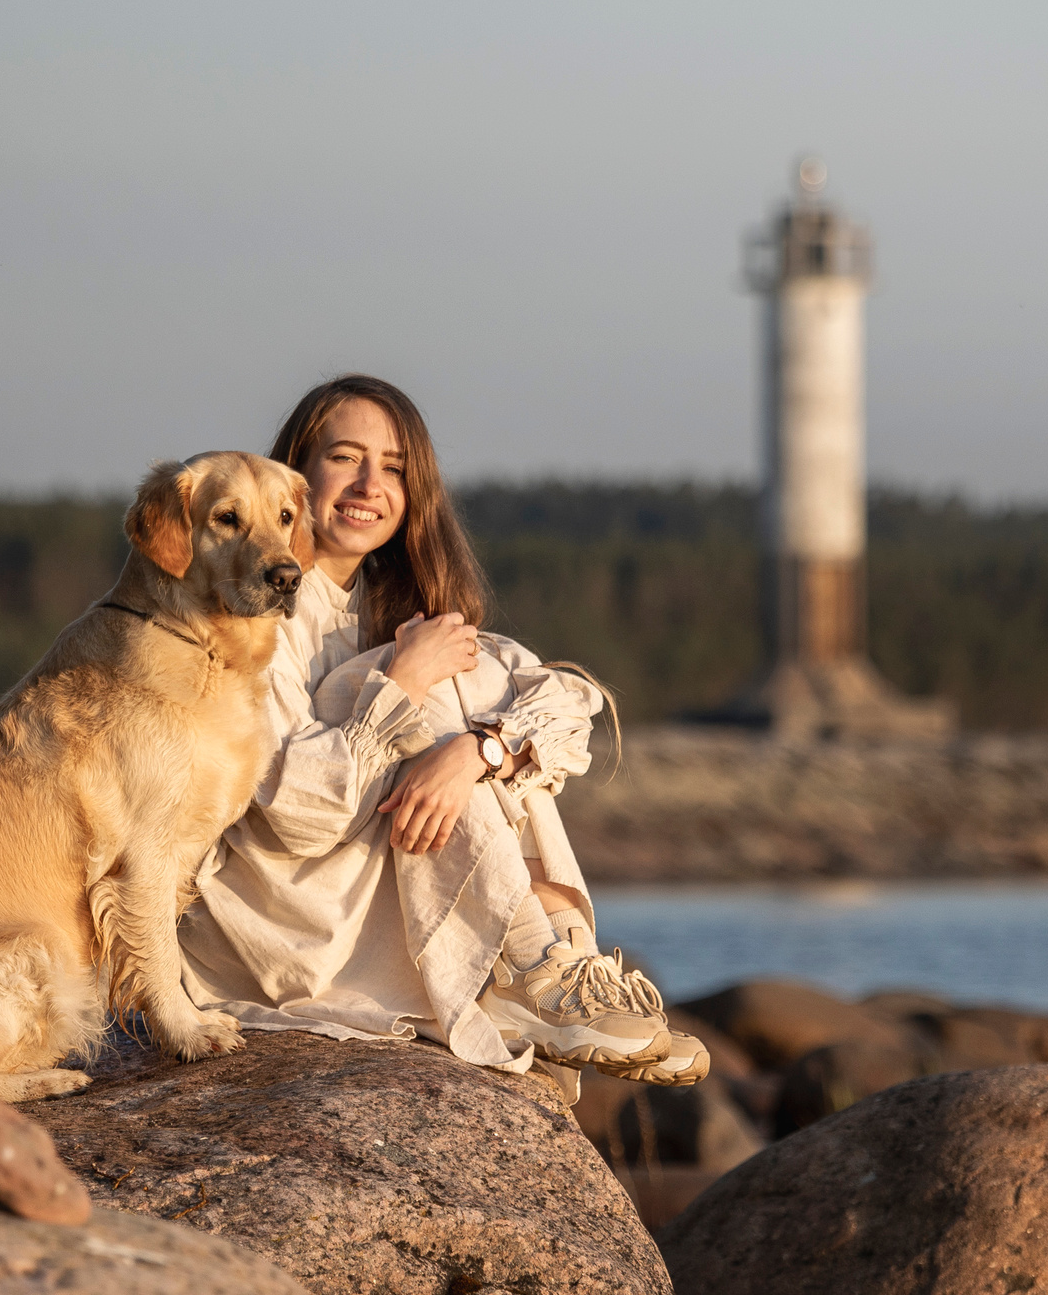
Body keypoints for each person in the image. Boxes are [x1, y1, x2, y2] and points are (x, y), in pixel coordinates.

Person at [178, 374, 706, 1089]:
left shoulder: (391, 604)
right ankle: (530, 973)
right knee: (424, 691)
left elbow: (562, 698)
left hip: (358, 867)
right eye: (344, 458)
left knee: (470, 700)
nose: (370, 484)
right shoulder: (253, 609)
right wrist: (400, 686)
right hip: (274, 909)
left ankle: (556, 963)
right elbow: (294, 813)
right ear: (293, 473)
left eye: (394, 467)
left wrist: (476, 752)